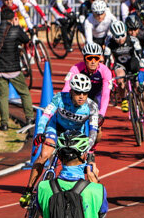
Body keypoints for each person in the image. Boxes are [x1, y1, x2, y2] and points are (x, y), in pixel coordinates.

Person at [23, 73, 101, 207]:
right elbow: (45, 115)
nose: (81, 96)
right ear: (71, 91)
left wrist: (87, 147)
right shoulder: (59, 98)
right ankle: (28, 191)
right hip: (56, 129)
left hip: (76, 135)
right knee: (44, 155)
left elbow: (93, 131)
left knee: (88, 167)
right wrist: (41, 132)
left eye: (85, 93)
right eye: (78, 92)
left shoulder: (92, 106)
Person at [0, 5, 34, 132]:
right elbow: (26, 39)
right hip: (13, 68)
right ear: (12, 18)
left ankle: (4, 123)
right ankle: (30, 118)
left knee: (3, 96)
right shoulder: (15, 30)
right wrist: (17, 26)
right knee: (24, 93)